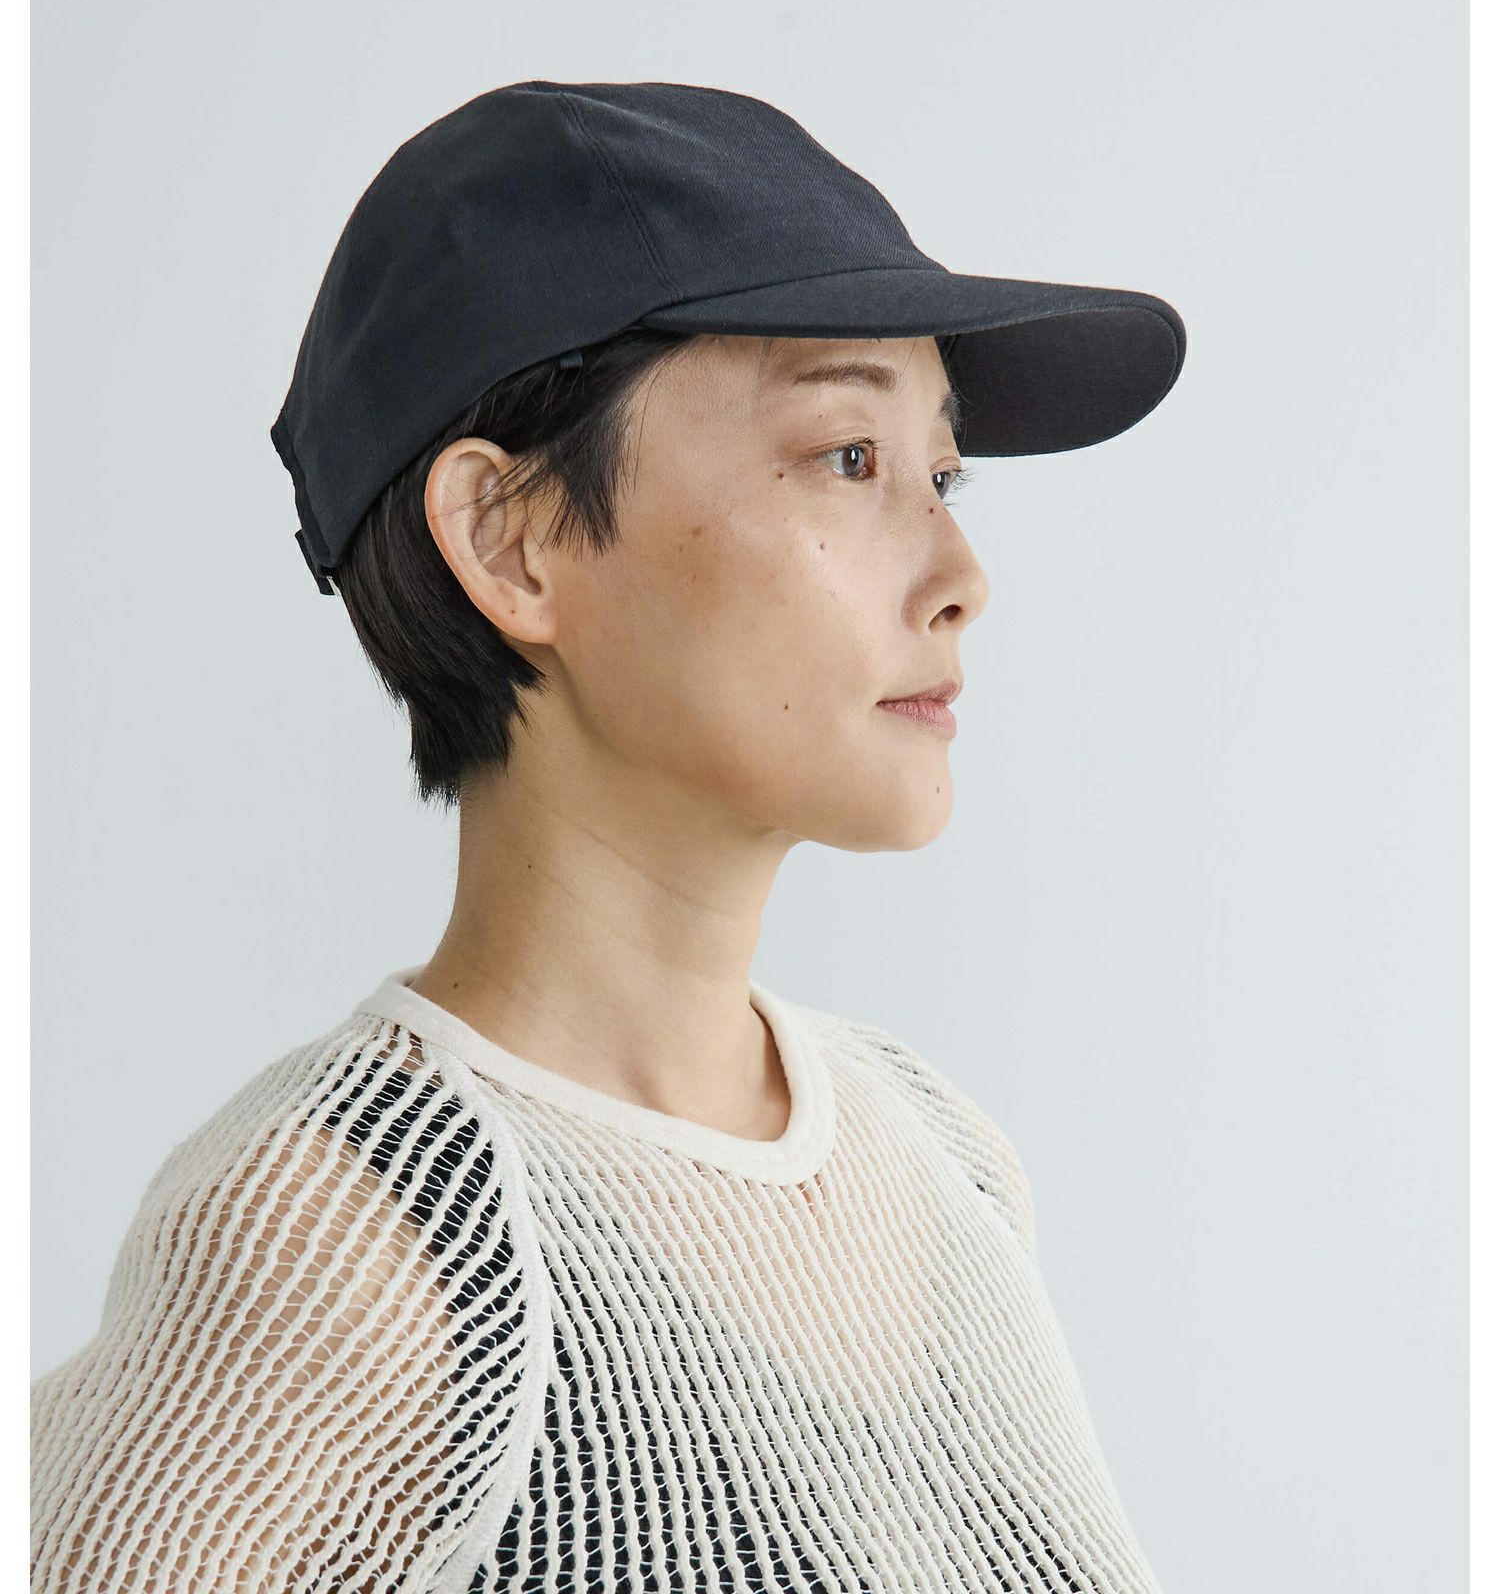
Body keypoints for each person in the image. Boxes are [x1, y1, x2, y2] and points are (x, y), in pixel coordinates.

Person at [30, 81, 1187, 1592]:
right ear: (509, 538)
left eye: (943, 472)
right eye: (849, 456)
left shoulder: (943, 1158)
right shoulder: (338, 1247)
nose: (962, 571)